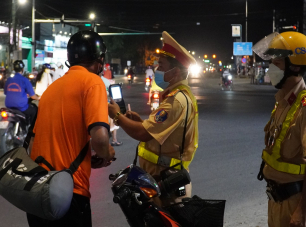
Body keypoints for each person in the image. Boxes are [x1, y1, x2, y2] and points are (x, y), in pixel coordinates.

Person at [27, 31, 115, 227]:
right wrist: (108, 153)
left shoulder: (52, 89)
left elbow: (33, 142)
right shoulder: (93, 82)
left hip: (37, 192)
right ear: (99, 59)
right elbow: (100, 140)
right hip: (68, 193)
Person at [108, 31, 198, 206]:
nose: (158, 69)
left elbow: (144, 134)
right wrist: (139, 121)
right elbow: (162, 135)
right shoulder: (175, 96)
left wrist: (117, 116)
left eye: (162, 66)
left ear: (176, 72)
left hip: (168, 185)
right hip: (160, 181)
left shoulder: (176, 100)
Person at [253, 32, 306, 227]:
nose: (270, 68)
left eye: (276, 63)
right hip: (277, 200)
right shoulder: (283, 101)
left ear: (294, 66)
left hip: (297, 202)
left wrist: (302, 211)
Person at [4, 60, 40, 124]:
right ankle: (31, 131)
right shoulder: (25, 80)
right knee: (34, 110)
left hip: (9, 106)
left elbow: (6, 92)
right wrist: (39, 98)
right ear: (22, 69)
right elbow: (33, 96)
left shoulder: (9, 80)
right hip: (21, 107)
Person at [100, 72, 123, 146]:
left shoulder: (90, 80)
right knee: (113, 120)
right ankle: (114, 140)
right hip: (107, 105)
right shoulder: (106, 81)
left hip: (97, 107)